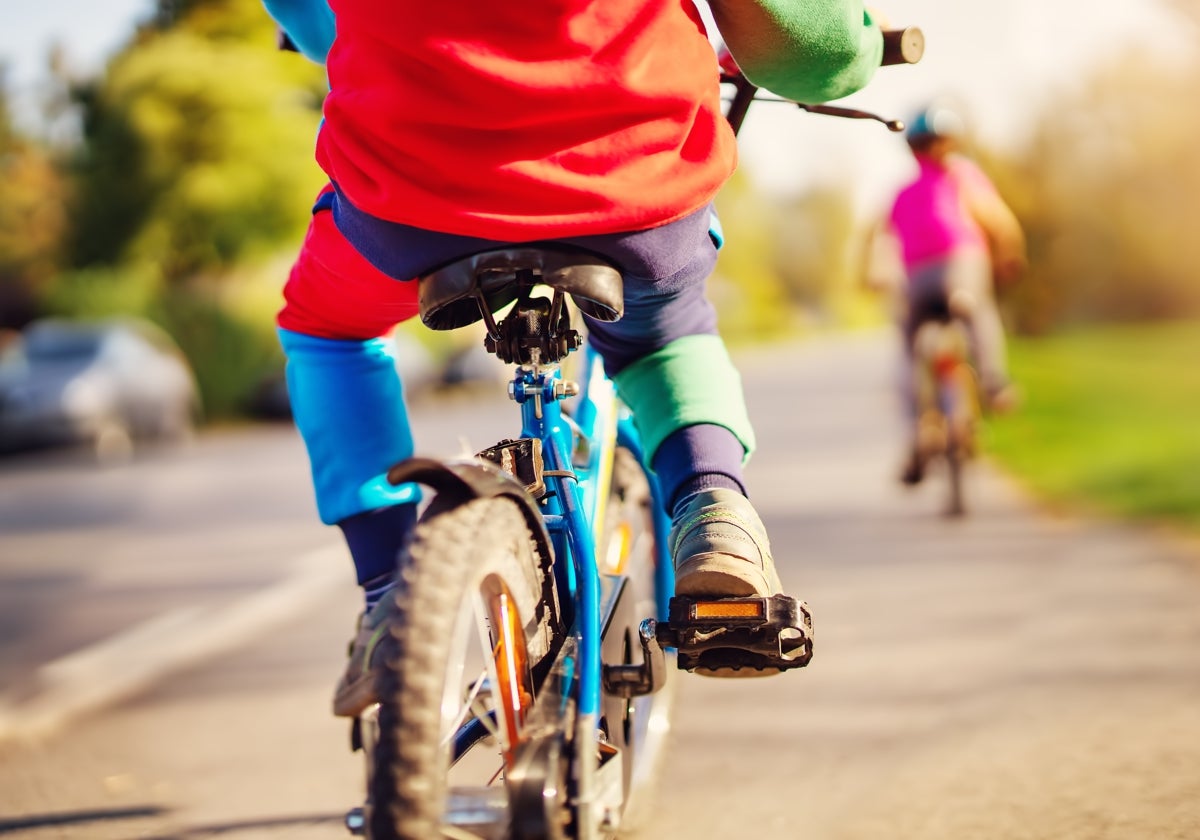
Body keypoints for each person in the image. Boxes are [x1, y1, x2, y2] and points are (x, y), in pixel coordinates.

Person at [262, 0, 887, 718]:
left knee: (327, 330)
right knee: (664, 336)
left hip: (411, 204)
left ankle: (387, 594)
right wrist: (857, 46)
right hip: (634, 193)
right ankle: (716, 515)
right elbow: (811, 51)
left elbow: (315, 24)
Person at [882, 103, 1026, 486]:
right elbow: (998, 218)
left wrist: (874, 278)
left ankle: (917, 433)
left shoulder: (903, 192)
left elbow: (883, 241)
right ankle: (994, 382)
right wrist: (1012, 252)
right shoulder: (963, 176)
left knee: (909, 346)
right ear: (951, 143)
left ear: (912, 149)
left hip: (918, 280)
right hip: (961, 266)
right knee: (979, 311)